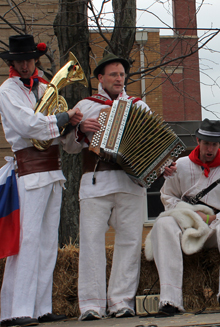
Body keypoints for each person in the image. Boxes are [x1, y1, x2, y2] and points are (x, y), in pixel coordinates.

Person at [0, 34, 83, 327]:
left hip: (53, 172)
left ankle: (42, 307)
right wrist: (62, 119)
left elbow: (66, 144)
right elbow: (27, 125)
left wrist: (74, 128)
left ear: (35, 59)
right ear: (12, 62)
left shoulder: (46, 87)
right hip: (29, 172)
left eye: (28, 59)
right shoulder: (6, 91)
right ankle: (15, 311)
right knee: (27, 242)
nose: (24, 65)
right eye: (18, 60)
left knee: (48, 243)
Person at [62, 53, 156, 320]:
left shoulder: (139, 106)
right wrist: (80, 130)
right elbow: (68, 147)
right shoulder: (85, 106)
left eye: (122, 75)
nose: (118, 79)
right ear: (100, 78)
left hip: (130, 184)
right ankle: (91, 305)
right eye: (113, 74)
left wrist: (162, 163)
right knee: (91, 243)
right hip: (95, 182)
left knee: (129, 242)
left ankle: (121, 302)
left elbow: (151, 144)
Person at [148, 119, 220, 314]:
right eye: (206, 143)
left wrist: (210, 219)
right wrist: (190, 214)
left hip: (215, 227)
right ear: (198, 140)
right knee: (163, 223)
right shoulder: (181, 164)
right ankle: (170, 300)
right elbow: (167, 196)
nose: (209, 148)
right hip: (185, 224)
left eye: (214, 144)